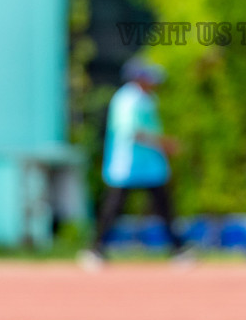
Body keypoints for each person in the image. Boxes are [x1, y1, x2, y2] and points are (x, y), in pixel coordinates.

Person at [80, 56, 188, 266]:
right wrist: (164, 144)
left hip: (150, 165)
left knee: (164, 208)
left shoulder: (147, 98)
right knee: (113, 209)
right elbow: (134, 132)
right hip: (128, 164)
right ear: (138, 78)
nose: (154, 82)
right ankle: (94, 250)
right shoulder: (127, 100)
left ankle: (178, 250)